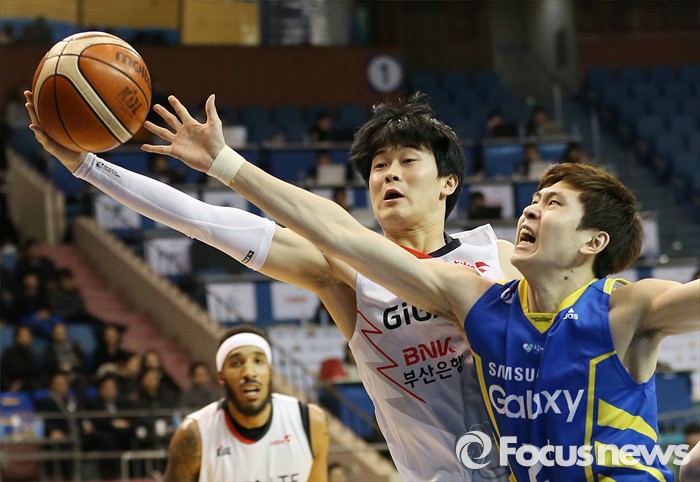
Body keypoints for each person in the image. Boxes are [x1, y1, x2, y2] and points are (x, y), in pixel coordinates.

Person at [137, 96, 698, 480]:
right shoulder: (472, 298)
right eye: (378, 165)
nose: (530, 209)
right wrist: (221, 163)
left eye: (550, 203)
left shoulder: (609, 302)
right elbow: (335, 231)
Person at [25, 90, 515, 481]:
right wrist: (87, 166)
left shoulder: (498, 258)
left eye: (407, 161)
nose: (389, 174)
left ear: (448, 182)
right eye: (378, 165)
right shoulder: (344, 271)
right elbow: (204, 221)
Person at [161, 324, 328, 481]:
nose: (249, 372)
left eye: (258, 361)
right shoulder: (194, 434)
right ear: (221, 376)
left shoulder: (310, 421)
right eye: (236, 363)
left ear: (269, 371)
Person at [0, 325, 39, 392]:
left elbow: (33, 376)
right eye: (24, 336)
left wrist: (23, 384)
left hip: (27, 388)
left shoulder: (33, 355)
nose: (27, 338)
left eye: (28, 336)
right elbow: (2, 373)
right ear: (17, 338)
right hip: (9, 388)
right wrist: (9, 386)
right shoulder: (9, 353)